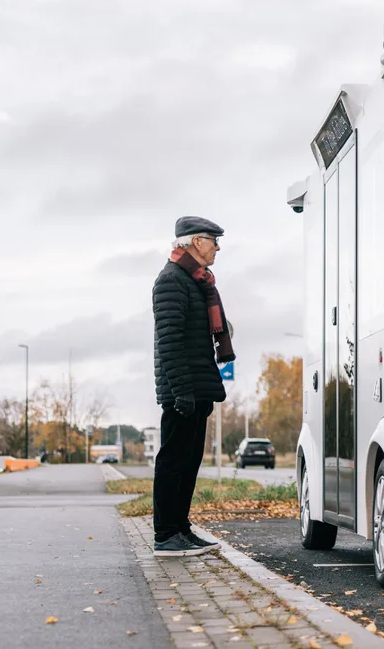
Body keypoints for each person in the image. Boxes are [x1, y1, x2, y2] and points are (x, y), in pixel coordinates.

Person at [151, 215, 234, 556]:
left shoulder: (197, 281)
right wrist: (182, 391)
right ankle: (165, 535)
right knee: (173, 462)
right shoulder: (171, 281)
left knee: (189, 462)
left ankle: (180, 529)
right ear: (196, 242)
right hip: (181, 390)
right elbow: (170, 341)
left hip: (197, 387)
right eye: (214, 241)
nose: (217, 248)